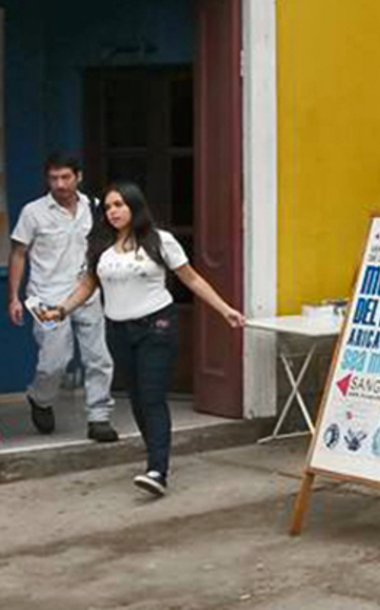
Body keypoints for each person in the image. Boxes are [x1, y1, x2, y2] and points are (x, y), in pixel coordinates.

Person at [43, 182, 245, 495]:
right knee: (136, 399)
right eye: (108, 207)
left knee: (152, 396)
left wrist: (225, 309)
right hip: (118, 329)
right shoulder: (101, 247)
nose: (113, 212)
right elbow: (87, 286)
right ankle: (157, 454)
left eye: (120, 205)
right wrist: (62, 310)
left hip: (156, 325)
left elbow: (190, 277)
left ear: (135, 206)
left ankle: (157, 471)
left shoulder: (159, 240)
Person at [7, 154, 116, 442]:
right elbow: (18, 253)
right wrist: (14, 298)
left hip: (86, 293)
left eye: (65, 177)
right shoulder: (33, 212)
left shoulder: (93, 207)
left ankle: (98, 417)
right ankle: (40, 398)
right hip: (44, 297)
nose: (60, 184)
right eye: (54, 178)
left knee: (98, 357)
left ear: (77, 177)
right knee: (55, 360)